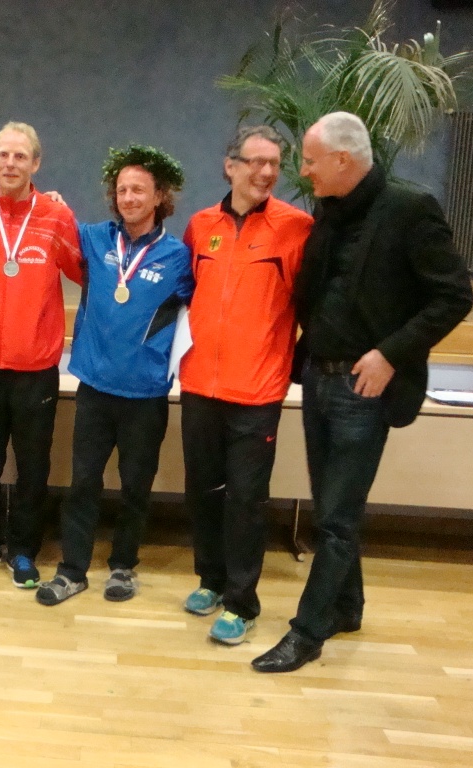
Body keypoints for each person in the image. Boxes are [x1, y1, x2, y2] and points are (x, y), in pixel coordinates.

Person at [252, 112, 473, 673]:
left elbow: (454, 295)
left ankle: (307, 632)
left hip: (363, 386)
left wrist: (390, 354)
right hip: (318, 377)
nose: (304, 171)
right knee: (331, 506)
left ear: (343, 160)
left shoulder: (410, 208)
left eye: (310, 160)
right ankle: (347, 607)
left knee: (336, 519)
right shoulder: (329, 210)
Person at [35, 144, 193, 605]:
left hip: (146, 393)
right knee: (83, 483)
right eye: (122, 190)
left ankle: (124, 565)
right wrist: (41, 197)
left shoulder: (178, 257)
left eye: (138, 190)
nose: (128, 198)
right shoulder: (94, 239)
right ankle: (72, 570)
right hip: (95, 386)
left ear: (159, 196)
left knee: (135, 487)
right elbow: (48, 218)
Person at [180, 125, 313, 644]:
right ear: (230, 166)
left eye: (274, 163)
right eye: (256, 161)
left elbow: (312, 304)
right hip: (199, 386)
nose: (266, 172)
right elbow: (190, 294)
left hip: (257, 392)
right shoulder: (200, 226)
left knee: (246, 500)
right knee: (202, 491)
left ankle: (241, 602)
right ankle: (210, 580)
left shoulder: (296, 228)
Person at [0, 121, 82, 588]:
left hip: (36, 368)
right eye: (3, 155)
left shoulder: (56, 217)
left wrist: (67, 211)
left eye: (20, 156)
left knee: (33, 466)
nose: (11, 163)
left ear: (36, 163)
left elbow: (84, 270)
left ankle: (25, 549)